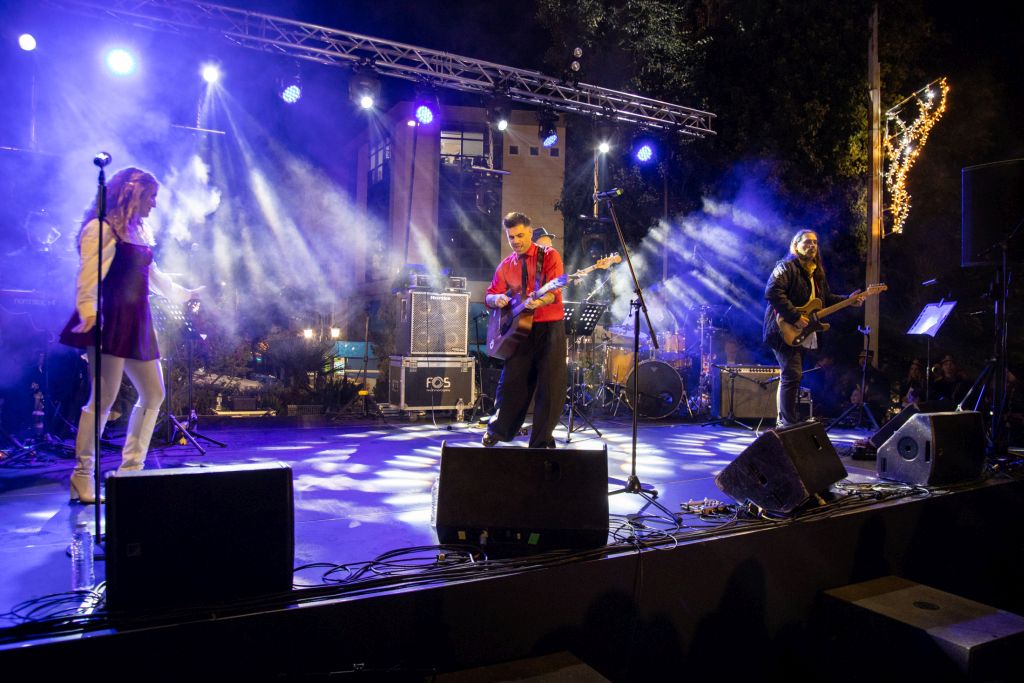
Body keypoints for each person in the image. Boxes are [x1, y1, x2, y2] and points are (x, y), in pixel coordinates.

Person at [59, 167, 200, 503]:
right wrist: (89, 313)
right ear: (132, 194)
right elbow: (88, 277)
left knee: (154, 393)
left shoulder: (138, 231)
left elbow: (153, 275)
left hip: (137, 320)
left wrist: (184, 294)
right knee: (102, 401)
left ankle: (130, 472)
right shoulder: (101, 229)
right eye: (151, 196)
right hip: (110, 319)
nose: (154, 204)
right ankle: (82, 476)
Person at [483, 212, 567, 448]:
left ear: (530, 232)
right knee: (511, 382)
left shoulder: (549, 256)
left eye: (520, 235)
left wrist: (539, 301)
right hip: (519, 330)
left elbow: (554, 292)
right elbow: (489, 295)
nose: (516, 241)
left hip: (549, 327)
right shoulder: (505, 265)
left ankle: (542, 440)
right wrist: (496, 298)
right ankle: (498, 430)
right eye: (511, 237)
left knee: (550, 387)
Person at [762, 229, 858, 427]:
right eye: (807, 242)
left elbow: (825, 299)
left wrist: (849, 300)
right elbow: (772, 292)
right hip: (782, 328)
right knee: (792, 373)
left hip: (801, 331)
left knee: (791, 375)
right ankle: (787, 423)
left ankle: (785, 420)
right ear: (795, 245)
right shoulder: (786, 266)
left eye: (815, 242)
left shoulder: (816, 271)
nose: (812, 246)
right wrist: (795, 316)